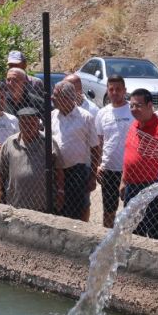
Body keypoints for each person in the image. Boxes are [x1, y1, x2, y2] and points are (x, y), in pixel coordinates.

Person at [0, 107, 63, 212]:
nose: (28, 127)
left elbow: (59, 170)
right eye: (24, 123)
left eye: (31, 123)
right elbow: (0, 171)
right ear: (19, 125)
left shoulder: (48, 142)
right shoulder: (10, 142)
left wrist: (60, 192)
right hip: (15, 203)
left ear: (38, 124)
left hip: (43, 205)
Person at [121, 88, 158, 237]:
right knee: (132, 231)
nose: (134, 109)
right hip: (132, 188)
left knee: (156, 233)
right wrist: (123, 180)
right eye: (132, 105)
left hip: (152, 188)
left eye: (138, 105)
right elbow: (127, 154)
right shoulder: (133, 126)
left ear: (150, 105)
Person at [50, 80, 100, 221]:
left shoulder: (85, 118)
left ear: (67, 98)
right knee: (58, 209)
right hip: (56, 171)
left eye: (55, 95)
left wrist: (92, 176)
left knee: (78, 209)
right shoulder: (53, 116)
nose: (52, 98)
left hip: (77, 172)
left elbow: (95, 149)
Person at [94, 75, 132, 227]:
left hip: (129, 170)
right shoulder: (102, 113)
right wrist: (97, 165)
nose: (115, 92)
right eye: (111, 89)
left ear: (124, 90)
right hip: (108, 169)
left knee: (130, 211)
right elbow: (99, 142)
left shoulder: (132, 111)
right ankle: (106, 239)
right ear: (107, 91)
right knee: (109, 210)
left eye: (118, 89)